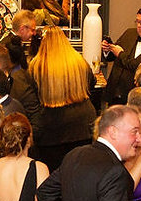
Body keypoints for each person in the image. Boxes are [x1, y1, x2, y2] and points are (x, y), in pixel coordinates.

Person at [29, 26, 97, 170]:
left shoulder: (36, 65)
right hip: (82, 124)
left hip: (51, 128)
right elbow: (92, 83)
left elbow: (33, 97)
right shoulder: (79, 61)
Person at [101, 6, 141, 105]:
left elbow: (137, 65)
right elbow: (112, 57)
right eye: (137, 21)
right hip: (114, 93)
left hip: (138, 96)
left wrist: (120, 53)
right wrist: (107, 50)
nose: (139, 25)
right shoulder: (129, 33)